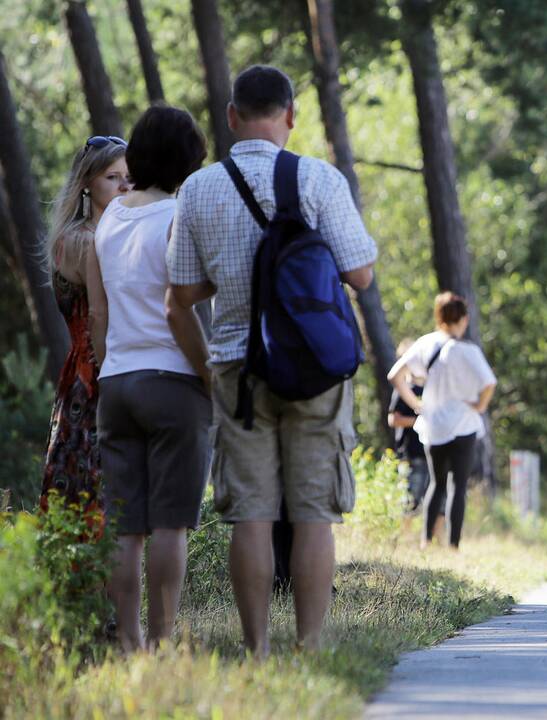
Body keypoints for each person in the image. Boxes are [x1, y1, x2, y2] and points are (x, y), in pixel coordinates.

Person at [166, 65, 377, 656]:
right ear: (292, 115)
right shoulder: (319, 179)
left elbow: (181, 294)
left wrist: (209, 365)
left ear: (232, 117)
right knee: (314, 512)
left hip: (236, 369)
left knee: (251, 513)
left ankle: (257, 648)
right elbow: (360, 273)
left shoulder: (200, 188)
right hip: (313, 371)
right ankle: (310, 646)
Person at [86, 106, 210, 652]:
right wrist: (208, 374)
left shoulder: (108, 218)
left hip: (116, 381)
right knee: (169, 523)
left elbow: (96, 312)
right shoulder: (179, 217)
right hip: (172, 379)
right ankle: (163, 640)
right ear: (187, 161)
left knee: (125, 524)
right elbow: (179, 303)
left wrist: (104, 368)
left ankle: (129, 638)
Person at [40, 135, 130, 524]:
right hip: (95, 371)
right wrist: (111, 375)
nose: (125, 185)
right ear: (87, 184)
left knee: (78, 484)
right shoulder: (86, 241)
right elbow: (97, 316)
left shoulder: (74, 236)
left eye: (130, 177)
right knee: (92, 486)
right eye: (113, 177)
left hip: (77, 372)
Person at [388, 293, 497, 549]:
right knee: (457, 486)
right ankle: (453, 545)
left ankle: (426, 541)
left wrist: (415, 404)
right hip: (463, 425)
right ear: (464, 319)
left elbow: (395, 375)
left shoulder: (425, 344)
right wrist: (480, 406)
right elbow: (489, 382)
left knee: (435, 484)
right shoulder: (468, 351)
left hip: (433, 425)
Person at [388, 338, 431, 512]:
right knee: (408, 503)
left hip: (427, 453)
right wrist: (418, 422)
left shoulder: (429, 389)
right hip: (409, 454)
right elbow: (393, 419)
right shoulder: (403, 390)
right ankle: (404, 538)